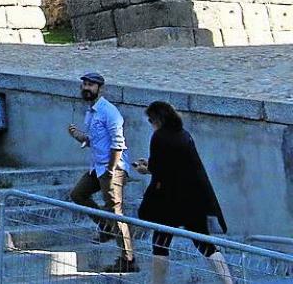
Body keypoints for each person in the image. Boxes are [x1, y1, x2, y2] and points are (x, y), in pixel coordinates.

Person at [135, 101, 234, 284]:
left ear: (158, 119)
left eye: (151, 120)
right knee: (205, 244)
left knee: (160, 244)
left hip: (169, 200)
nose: (150, 124)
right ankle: (229, 282)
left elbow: (159, 169)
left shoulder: (159, 137)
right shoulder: (184, 135)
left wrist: (145, 169)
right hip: (193, 199)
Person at [66, 71, 138, 273]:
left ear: (100, 88)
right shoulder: (91, 112)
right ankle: (106, 227)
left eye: (90, 85)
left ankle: (128, 259)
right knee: (78, 194)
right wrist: (78, 136)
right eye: (84, 84)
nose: (86, 88)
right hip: (97, 167)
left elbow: (118, 143)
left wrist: (111, 169)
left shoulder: (109, 111)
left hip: (111, 168)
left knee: (115, 211)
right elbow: (94, 140)